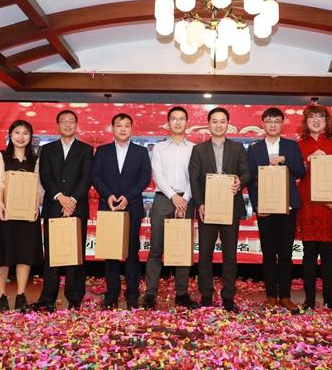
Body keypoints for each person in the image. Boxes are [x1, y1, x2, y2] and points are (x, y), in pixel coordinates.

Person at [188, 107, 250, 313]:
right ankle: (206, 295)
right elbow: (194, 179)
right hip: (207, 208)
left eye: (222, 121)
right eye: (214, 121)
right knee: (205, 255)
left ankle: (228, 297)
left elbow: (247, 173)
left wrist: (240, 181)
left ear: (228, 124)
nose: (218, 125)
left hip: (230, 208)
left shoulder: (238, 148)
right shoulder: (199, 150)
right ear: (208, 124)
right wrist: (200, 204)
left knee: (230, 256)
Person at [31, 110, 93, 312]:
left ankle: (74, 297)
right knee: (52, 254)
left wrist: (72, 200)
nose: (67, 124)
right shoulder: (48, 149)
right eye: (63, 121)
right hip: (53, 206)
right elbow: (45, 176)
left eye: (71, 121)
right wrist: (61, 198)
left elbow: (87, 178)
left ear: (76, 124)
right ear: (57, 125)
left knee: (76, 254)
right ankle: (48, 297)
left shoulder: (86, 149)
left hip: (77, 207)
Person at [247, 107, 305, 312]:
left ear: (282, 124)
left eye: (277, 121)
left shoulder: (291, 146)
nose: (273, 125)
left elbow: (301, 172)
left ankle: (286, 297)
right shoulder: (254, 148)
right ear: (262, 124)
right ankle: (271, 295)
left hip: (287, 206)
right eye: (269, 121)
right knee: (269, 253)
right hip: (265, 207)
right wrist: (257, 206)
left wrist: (284, 161)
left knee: (286, 253)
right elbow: (250, 179)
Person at [296, 103, 332, 312]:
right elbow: (295, 176)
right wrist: (308, 161)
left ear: (327, 121)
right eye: (311, 117)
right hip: (307, 204)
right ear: (306, 122)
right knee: (308, 254)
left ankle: (330, 297)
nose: (316, 120)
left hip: (330, 206)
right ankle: (309, 299)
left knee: (328, 254)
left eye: (320, 116)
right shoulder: (299, 145)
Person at [92, 113, 151, 309]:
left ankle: (132, 294)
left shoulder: (141, 152)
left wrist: (128, 197)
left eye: (127, 125)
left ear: (131, 129)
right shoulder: (102, 151)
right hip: (108, 207)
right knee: (111, 253)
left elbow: (145, 178)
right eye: (119, 125)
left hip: (131, 207)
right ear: (113, 128)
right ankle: (112, 294)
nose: (123, 128)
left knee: (132, 252)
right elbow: (96, 176)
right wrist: (108, 195)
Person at [143, 106, 198, 310]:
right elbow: (157, 174)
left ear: (187, 123)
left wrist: (185, 199)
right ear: (168, 123)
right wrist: (174, 197)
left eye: (182, 118)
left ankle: (181, 294)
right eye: (174, 118)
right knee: (156, 248)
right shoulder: (159, 148)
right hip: (163, 199)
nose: (178, 122)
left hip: (186, 200)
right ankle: (150, 293)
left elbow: (195, 176)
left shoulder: (194, 148)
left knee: (182, 249)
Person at [0, 120, 44, 312]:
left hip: (27, 213)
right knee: (4, 254)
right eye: (17, 132)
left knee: (25, 253)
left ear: (30, 137)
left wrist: (36, 207)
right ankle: (1, 296)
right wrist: (0, 204)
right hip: (6, 212)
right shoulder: (2, 156)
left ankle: (21, 295)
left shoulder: (35, 159)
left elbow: (38, 187)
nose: (21, 137)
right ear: (10, 135)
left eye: (25, 133)